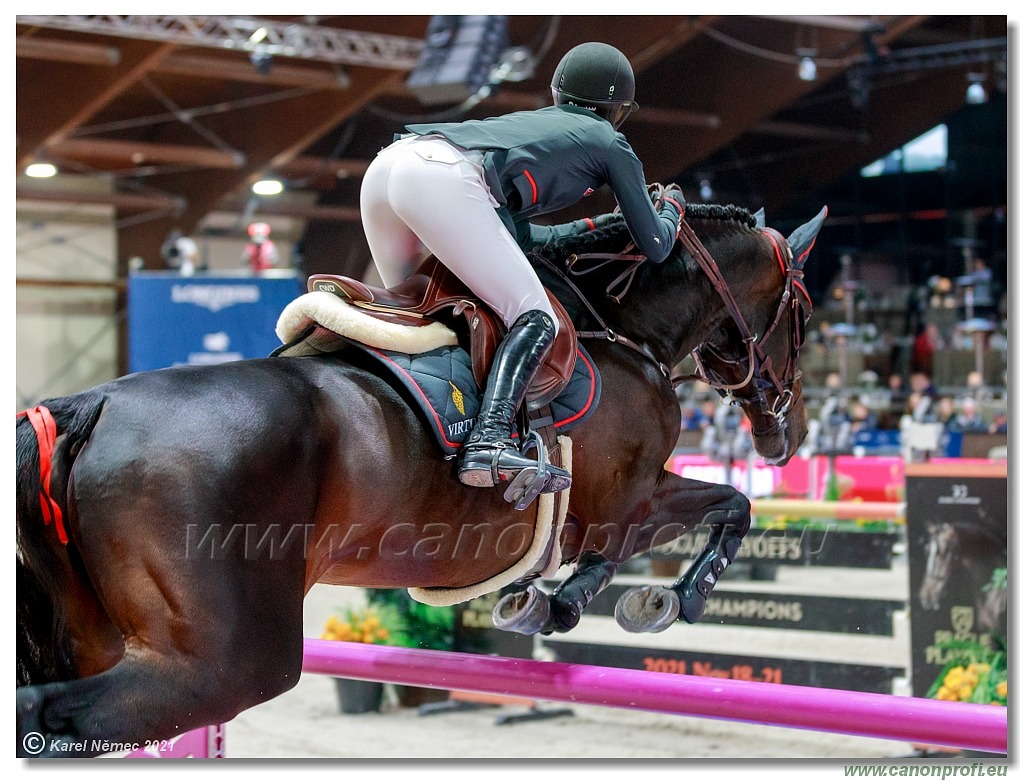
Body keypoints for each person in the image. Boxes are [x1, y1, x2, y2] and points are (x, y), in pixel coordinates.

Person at [359, 42, 684, 497]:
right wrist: (671, 207)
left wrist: (599, 223)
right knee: (538, 318)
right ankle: (489, 438)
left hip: (390, 165)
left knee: (421, 311)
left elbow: (529, 241)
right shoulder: (611, 142)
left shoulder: (531, 131)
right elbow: (656, 244)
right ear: (619, 110)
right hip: (443, 180)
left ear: (556, 93)